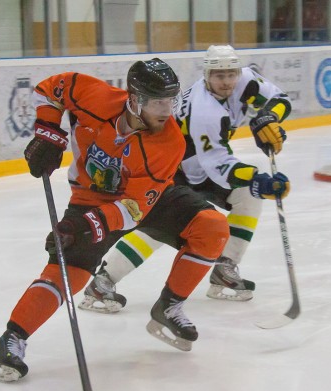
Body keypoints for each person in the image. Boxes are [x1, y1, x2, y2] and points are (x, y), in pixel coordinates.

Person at [0, 58, 231, 382]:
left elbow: (133, 208)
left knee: (211, 227)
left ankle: (169, 307)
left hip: (147, 197)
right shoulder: (95, 97)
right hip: (89, 198)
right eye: (158, 102)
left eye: (171, 100)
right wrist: (48, 132)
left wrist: (83, 227)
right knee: (70, 272)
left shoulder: (169, 142)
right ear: (135, 99)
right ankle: (11, 340)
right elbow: (50, 89)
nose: (167, 110)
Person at [79, 44, 291, 311]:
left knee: (247, 196)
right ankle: (103, 281)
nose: (227, 81)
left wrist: (269, 117)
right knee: (161, 228)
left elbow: (280, 98)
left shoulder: (245, 81)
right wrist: (259, 181)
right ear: (207, 75)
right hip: (169, 168)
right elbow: (218, 165)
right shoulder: (205, 109)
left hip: (198, 166)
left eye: (231, 74)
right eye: (219, 75)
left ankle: (225, 267)